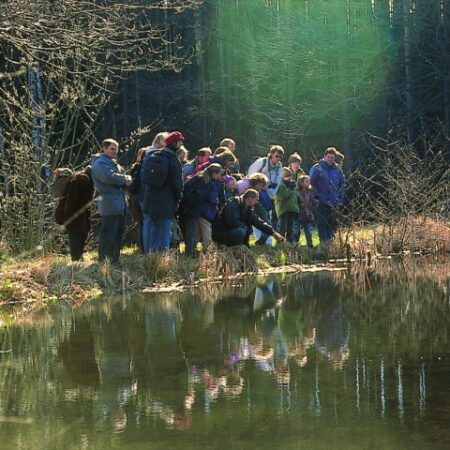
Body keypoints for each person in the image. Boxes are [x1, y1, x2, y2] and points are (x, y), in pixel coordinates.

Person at [141, 131, 184, 253]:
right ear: (174, 143)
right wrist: (178, 199)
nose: (181, 143)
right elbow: (177, 184)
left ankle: (150, 257)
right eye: (179, 141)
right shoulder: (173, 159)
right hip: (166, 201)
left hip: (150, 199)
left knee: (153, 230)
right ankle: (161, 260)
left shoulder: (153, 155)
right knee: (164, 231)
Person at [91, 139, 131, 263]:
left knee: (118, 233)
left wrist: (125, 180)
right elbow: (109, 177)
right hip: (109, 203)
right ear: (104, 148)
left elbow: (121, 179)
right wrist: (125, 178)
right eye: (112, 149)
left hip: (119, 204)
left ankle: (114, 259)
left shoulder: (113, 163)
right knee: (109, 234)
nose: (115, 151)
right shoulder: (100, 163)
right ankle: (104, 260)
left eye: (116, 148)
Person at [213, 189, 285, 247]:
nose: (257, 202)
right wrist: (245, 227)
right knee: (241, 231)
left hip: (231, 231)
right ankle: (230, 246)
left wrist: (273, 233)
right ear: (250, 198)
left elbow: (257, 222)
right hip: (223, 232)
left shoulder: (248, 208)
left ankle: (240, 247)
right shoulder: (233, 204)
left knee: (244, 229)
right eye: (256, 199)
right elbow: (232, 221)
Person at [182, 164, 223, 256]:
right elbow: (211, 198)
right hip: (205, 210)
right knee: (206, 230)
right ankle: (209, 251)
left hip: (194, 209)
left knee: (196, 231)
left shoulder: (198, 178)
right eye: (219, 174)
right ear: (214, 173)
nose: (220, 176)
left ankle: (191, 251)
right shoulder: (209, 183)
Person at [54, 166, 95, 261]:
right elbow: (72, 200)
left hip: (76, 215)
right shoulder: (82, 181)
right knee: (77, 238)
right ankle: (76, 259)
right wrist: (70, 217)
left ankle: (78, 258)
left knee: (79, 237)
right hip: (75, 216)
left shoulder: (80, 178)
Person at [309, 147, 346, 244]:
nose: (330, 159)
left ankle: (332, 244)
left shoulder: (337, 169)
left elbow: (342, 184)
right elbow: (311, 183)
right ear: (325, 157)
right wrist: (316, 197)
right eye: (329, 157)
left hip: (334, 201)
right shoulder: (317, 168)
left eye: (332, 158)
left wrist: (340, 198)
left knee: (333, 224)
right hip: (320, 201)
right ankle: (324, 244)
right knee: (322, 223)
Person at [274, 167, 299, 243]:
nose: (289, 178)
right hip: (283, 209)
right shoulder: (279, 185)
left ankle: (289, 242)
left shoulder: (292, 184)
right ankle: (280, 242)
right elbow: (282, 196)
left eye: (290, 176)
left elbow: (295, 196)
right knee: (282, 227)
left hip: (291, 208)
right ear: (282, 177)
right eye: (287, 176)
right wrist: (289, 189)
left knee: (290, 228)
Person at [296, 174, 317, 248]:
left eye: (309, 181)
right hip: (298, 215)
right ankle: (296, 246)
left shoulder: (310, 191)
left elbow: (313, 200)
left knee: (308, 231)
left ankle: (310, 246)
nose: (309, 183)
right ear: (301, 183)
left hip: (308, 214)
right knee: (296, 232)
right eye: (306, 181)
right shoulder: (296, 192)